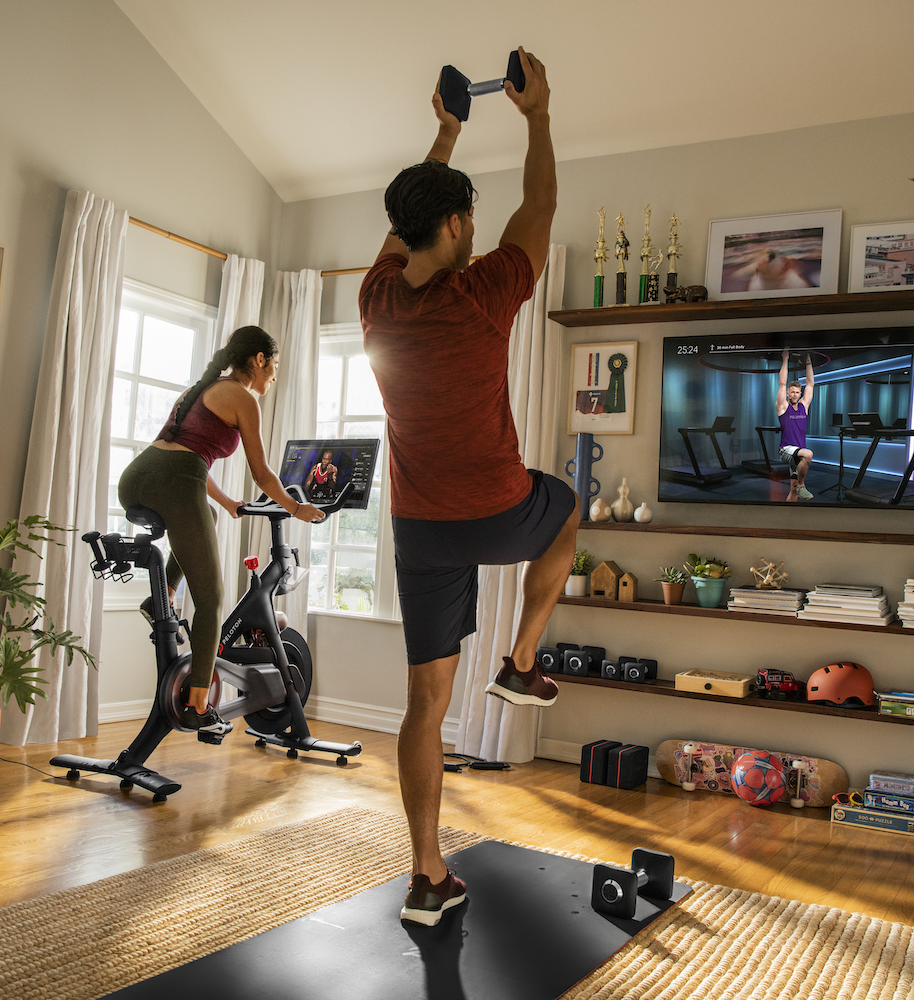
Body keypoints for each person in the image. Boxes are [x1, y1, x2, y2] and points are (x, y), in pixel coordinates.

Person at [359, 47, 580, 928]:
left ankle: (426, 875)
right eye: (469, 222)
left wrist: (447, 133)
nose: (478, 233)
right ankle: (522, 663)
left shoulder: (376, 299)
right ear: (455, 225)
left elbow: (407, 221)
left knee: (425, 704)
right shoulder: (483, 293)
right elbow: (541, 207)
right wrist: (538, 116)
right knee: (566, 509)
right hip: (497, 512)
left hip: (420, 530)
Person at [115, 325, 322, 737]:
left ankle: (161, 595)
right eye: (274, 365)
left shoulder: (200, 389)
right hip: (176, 481)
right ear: (259, 360)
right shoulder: (243, 398)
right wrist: (297, 508)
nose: (274, 376)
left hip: (136, 477)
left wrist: (226, 503)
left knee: (206, 515)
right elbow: (262, 474)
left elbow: (183, 452)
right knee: (211, 598)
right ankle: (198, 706)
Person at [776, 347, 815, 501]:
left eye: (797, 392)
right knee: (808, 454)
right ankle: (801, 486)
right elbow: (782, 383)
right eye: (792, 392)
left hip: (798, 453)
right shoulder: (783, 407)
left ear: (800, 394)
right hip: (786, 450)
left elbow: (810, 384)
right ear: (788, 393)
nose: (794, 394)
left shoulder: (804, 406)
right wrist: (785, 359)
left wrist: (808, 362)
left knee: (792, 488)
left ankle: (790, 509)